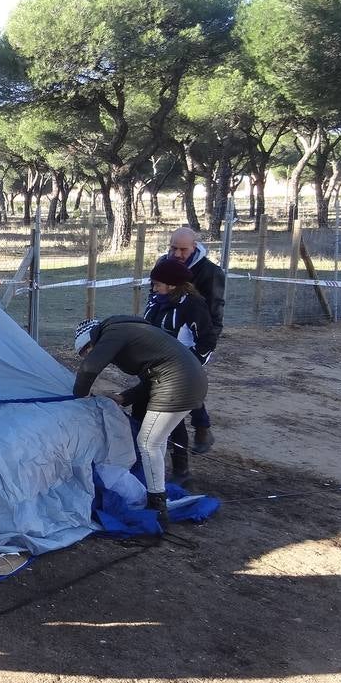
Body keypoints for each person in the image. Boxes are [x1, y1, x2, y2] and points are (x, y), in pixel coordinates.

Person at [73, 316, 207, 532]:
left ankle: (157, 505)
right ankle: (157, 490)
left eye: (86, 350)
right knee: (157, 440)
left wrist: (79, 397)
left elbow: (89, 368)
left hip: (177, 383)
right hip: (191, 379)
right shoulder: (128, 331)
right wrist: (125, 398)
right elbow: (151, 376)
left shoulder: (112, 334)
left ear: (91, 341)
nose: (86, 355)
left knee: (147, 443)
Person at [141, 257, 217, 485]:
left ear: (172, 285)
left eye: (157, 284)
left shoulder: (193, 306)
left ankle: (181, 468)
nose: (153, 288)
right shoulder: (156, 301)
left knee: (172, 417)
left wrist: (190, 365)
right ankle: (201, 427)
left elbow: (207, 340)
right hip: (156, 365)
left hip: (183, 363)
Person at [162, 226, 226, 453]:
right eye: (173, 248)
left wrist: (204, 348)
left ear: (195, 247)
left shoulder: (210, 272)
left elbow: (215, 313)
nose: (177, 254)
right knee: (176, 385)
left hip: (195, 339)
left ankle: (199, 428)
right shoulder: (163, 263)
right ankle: (196, 429)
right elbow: (156, 296)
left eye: (183, 249)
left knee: (181, 383)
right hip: (167, 335)